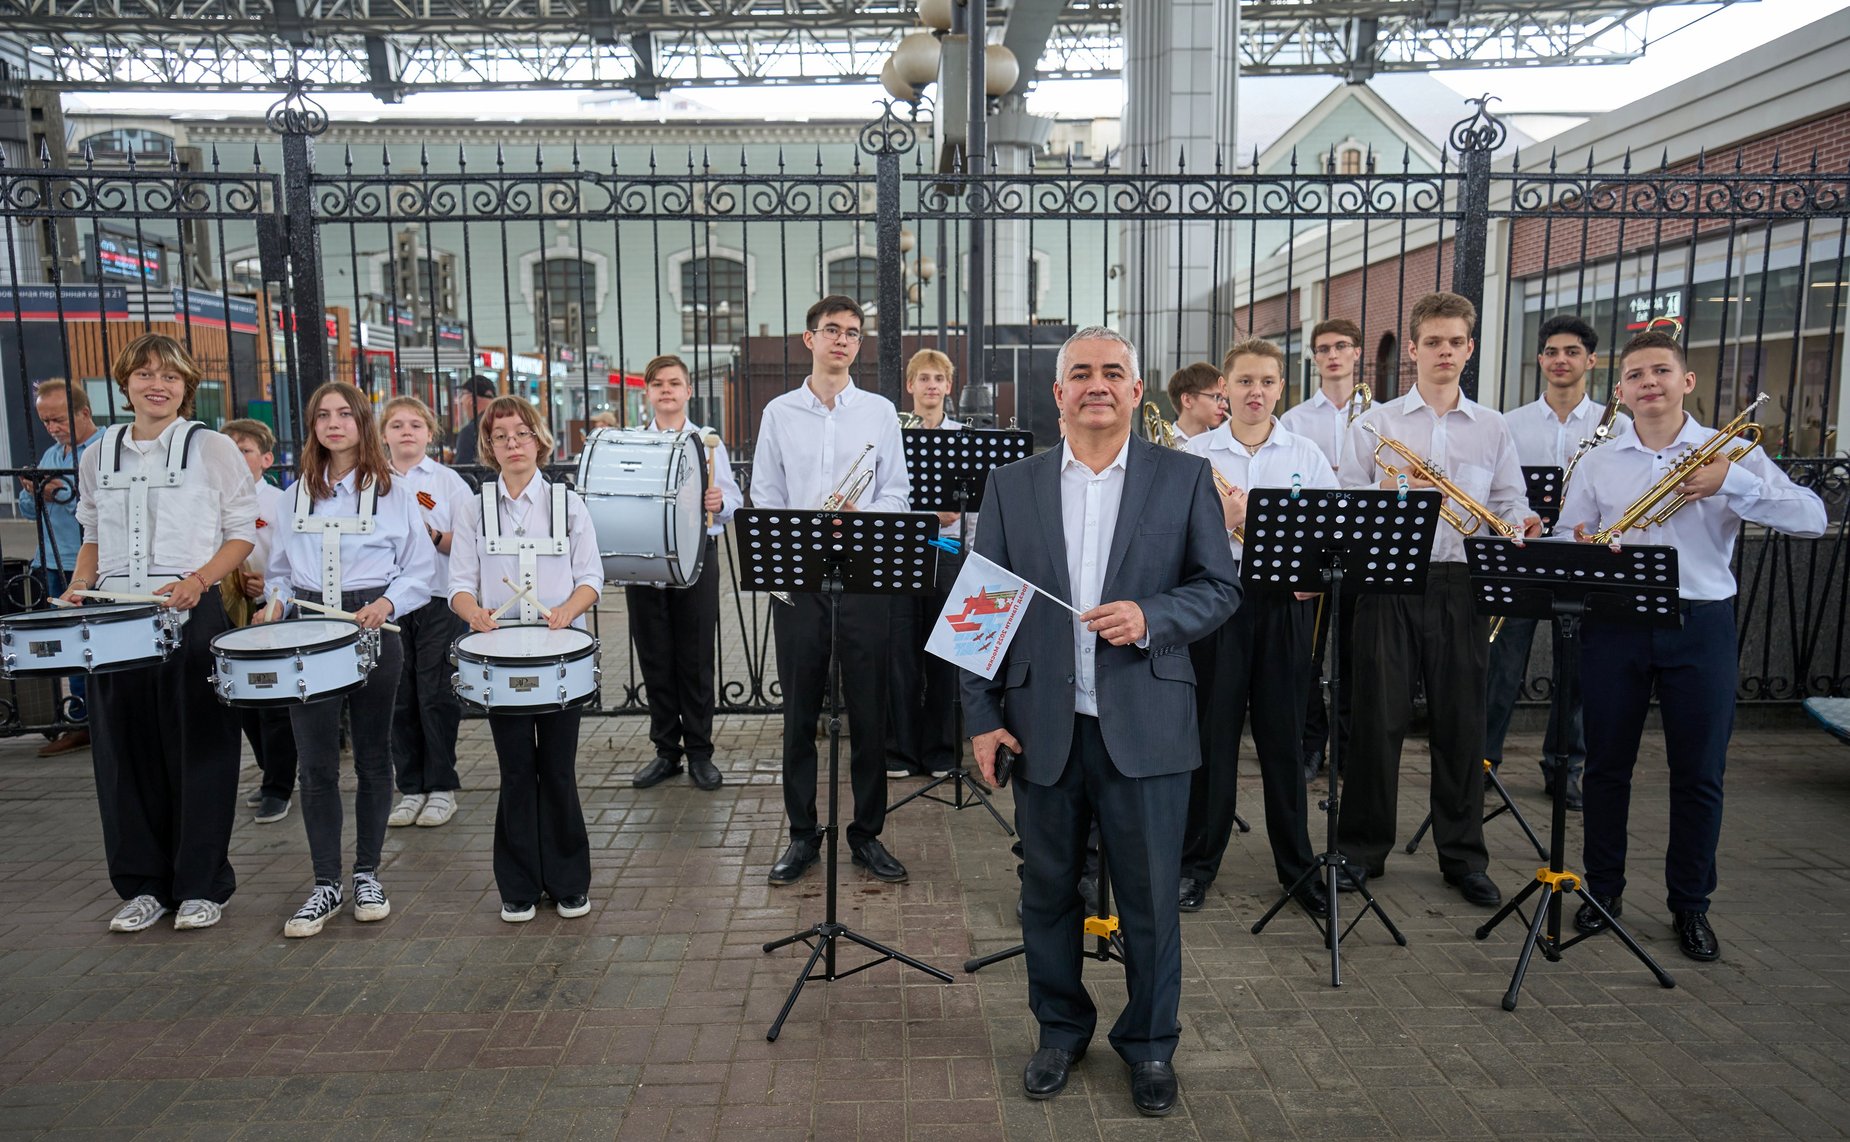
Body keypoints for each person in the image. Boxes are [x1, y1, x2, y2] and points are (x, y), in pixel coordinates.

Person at [963, 326, 1239, 1117]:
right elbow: (981, 609)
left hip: (1146, 725)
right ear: (1057, 393)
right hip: (1042, 727)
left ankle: (1150, 1045)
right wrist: (981, 718)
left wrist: (1150, 614)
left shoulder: (1184, 479)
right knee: (1046, 892)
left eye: (1112, 373)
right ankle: (1058, 1030)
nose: (1096, 385)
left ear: (1136, 391)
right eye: (1079, 373)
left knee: (1151, 897)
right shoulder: (1012, 485)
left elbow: (1219, 588)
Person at [1561, 329, 1825, 963]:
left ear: (1687, 381)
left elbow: (1812, 517)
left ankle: (1691, 906)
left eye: (1660, 371)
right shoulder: (1598, 459)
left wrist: (1731, 481)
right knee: (1603, 768)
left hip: (1700, 622)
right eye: (1635, 375)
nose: (1648, 382)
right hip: (1616, 622)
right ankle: (1603, 891)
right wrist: (1587, 545)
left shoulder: (1727, 451)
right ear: (1619, 391)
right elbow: (1576, 537)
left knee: (1700, 772)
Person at [1338, 292, 1539, 908]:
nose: (1444, 351)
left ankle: (1463, 856)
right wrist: (1399, 493)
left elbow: (1509, 502)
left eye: (1455, 342)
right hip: (1388, 583)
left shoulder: (1494, 427)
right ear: (1415, 351)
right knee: (1378, 720)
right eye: (1432, 342)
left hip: (1460, 583)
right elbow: (1345, 503)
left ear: (1469, 349)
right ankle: (1361, 850)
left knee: (1462, 723)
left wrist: (1522, 522)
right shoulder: (1376, 424)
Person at [64, 333, 258, 933]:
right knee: (124, 753)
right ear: (124, 385)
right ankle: (143, 886)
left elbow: (241, 532)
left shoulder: (213, 449)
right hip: (115, 615)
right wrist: (78, 586)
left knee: (199, 746)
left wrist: (200, 580)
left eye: (170, 377)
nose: (158, 385)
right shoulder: (98, 453)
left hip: (188, 609)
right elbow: (91, 534)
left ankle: (202, 884)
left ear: (186, 387)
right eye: (146, 374)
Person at [263, 381, 435, 938]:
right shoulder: (294, 495)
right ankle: (323, 884)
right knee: (313, 763)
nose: (333, 423)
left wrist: (387, 603)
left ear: (363, 421)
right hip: (310, 626)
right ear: (312, 425)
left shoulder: (395, 492)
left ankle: (366, 872)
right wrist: (277, 600)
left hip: (372, 622)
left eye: (344, 414)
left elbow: (420, 569)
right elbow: (281, 571)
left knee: (370, 756)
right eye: (322, 415)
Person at [751, 295, 913, 887]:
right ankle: (802, 836)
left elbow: (898, 493)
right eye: (831, 331)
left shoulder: (878, 412)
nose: (842, 340)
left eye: (852, 333)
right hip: (800, 578)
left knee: (870, 710)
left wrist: (861, 512)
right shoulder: (779, 413)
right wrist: (802, 527)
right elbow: (764, 496)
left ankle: (866, 834)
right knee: (799, 713)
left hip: (864, 575)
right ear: (809, 338)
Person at [1179, 338, 1337, 917]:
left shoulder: (1307, 454)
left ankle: (1298, 869)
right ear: (1225, 387)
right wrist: (1219, 520)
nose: (1256, 392)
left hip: (1284, 606)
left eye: (1267, 382)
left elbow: (1333, 533)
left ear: (1280, 387)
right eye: (1244, 382)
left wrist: (1318, 576)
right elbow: (1171, 541)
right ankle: (1195, 866)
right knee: (1212, 742)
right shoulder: (1194, 453)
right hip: (1216, 602)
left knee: (1284, 743)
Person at [449, 396, 603, 922]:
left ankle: (568, 881)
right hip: (503, 660)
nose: (513, 444)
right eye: (501, 437)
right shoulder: (475, 507)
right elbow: (458, 586)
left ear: (539, 439)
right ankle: (517, 884)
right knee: (516, 771)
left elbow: (591, 578)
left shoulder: (568, 503)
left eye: (521, 434)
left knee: (557, 771)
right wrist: (474, 614)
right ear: (488, 447)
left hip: (560, 656)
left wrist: (566, 612)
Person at [1487, 315, 1626, 810]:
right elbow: (1500, 489)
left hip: (1584, 560)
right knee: (1502, 664)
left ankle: (1563, 768)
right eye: (1551, 351)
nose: (1560, 360)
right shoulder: (1510, 423)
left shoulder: (1618, 427)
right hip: (1525, 556)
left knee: (1577, 671)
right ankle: (1485, 763)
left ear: (1590, 360)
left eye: (1571, 352)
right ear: (1541, 359)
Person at [627, 355, 741, 793]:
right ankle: (665, 752)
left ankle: (699, 752)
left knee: (694, 658)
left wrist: (719, 501)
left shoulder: (706, 443)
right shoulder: (635, 443)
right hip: (645, 558)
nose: (667, 390)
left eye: (675, 383)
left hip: (696, 556)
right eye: (658, 384)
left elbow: (732, 499)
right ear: (648, 393)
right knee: (654, 655)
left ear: (689, 390)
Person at [381, 395, 475, 829]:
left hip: (437, 596)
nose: (406, 432)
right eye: (397, 425)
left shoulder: (447, 482)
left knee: (435, 692)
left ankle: (441, 785)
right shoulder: (372, 480)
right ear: (383, 433)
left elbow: (469, 543)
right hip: (388, 599)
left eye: (415, 425)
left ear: (430, 434)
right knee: (399, 694)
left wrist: (432, 534)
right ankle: (410, 786)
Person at [1281, 318, 1366, 782]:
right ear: (1315, 358)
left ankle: (1350, 752)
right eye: (1324, 348)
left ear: (1357, 353)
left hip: (1355, 549)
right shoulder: (1296, 420)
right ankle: (1311, 746)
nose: (1333, 355)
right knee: (1309, 657)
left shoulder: (1378, 416)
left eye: (1342, 346)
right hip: (1310, 552)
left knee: (1354, 656)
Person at [887, 348, 973, 780]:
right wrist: (924, 517)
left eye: (939, 378)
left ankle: (942, 752)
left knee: (945, 658)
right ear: (910, 386)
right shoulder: (892, 434)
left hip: (948, 556)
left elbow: (971, 511)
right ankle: (899, 752)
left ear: (949, 386)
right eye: (923, 378)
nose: (932, 386)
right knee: (899, 657)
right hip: (902, 553)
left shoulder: (962, 437)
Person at [220, 418, 298, 824]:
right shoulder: (210, 499)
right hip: (226, 614)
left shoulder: (277, 503)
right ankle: (270, 770)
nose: (234, 456)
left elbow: (288, 561)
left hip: (268, 612)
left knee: (272, 702)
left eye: (245, 450)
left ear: (266, 459)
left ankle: (280, 785)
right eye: (227, 448)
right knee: (243, 702)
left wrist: (265, 588)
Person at [20, 378, 103, 756]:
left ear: (84, 412)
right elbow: (30, 513)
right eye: (45, 421)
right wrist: (33, 494)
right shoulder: (54, 455)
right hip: (51, 560)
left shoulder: (103, 449)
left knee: (92, 644)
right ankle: (77, 718)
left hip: (85, 564)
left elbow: (100, 514)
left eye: (58, 419)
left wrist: (59, 495)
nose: (52, 428)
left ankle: (95, 718)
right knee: (63, 646)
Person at [1164, 361, 1227, 443]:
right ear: (1187, 400)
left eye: (1224, 398)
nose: (1225, 405)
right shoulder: (1158, 444)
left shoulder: (1223, 442)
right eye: (1217, 397)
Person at [451, 375, 498, 466]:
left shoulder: (470, 432)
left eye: (462, 395)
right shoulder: (505, 423)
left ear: (471, 398)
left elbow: (464, 472)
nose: (461, 401)